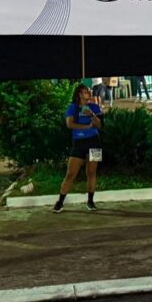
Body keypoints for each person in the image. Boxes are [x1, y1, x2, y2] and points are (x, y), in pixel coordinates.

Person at [53, 84, 102, 213]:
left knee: (92, 172)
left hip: (94, 142)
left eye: (89, 91)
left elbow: (99, 125)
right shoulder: (73, 107)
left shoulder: (94, 107)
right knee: (70, 173)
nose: (89, 93)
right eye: (86, 91)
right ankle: (60, 202)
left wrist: (91, 115)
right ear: (79, 94)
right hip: (79, 143)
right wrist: (86, 127)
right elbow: (69, 124)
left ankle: (90, 201)